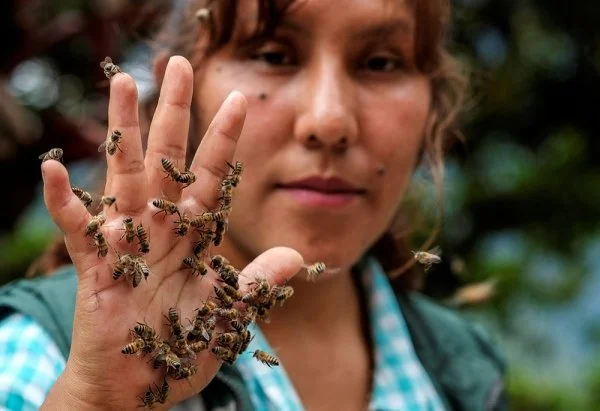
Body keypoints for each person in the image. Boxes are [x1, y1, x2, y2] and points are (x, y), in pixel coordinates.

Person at [0, 0, 507, 410]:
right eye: (272, 54)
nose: (329, 121)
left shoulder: (463, 370)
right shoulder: (41, 355)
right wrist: (95, 402)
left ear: (432, 107)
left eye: (380, 63)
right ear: (184, 89)